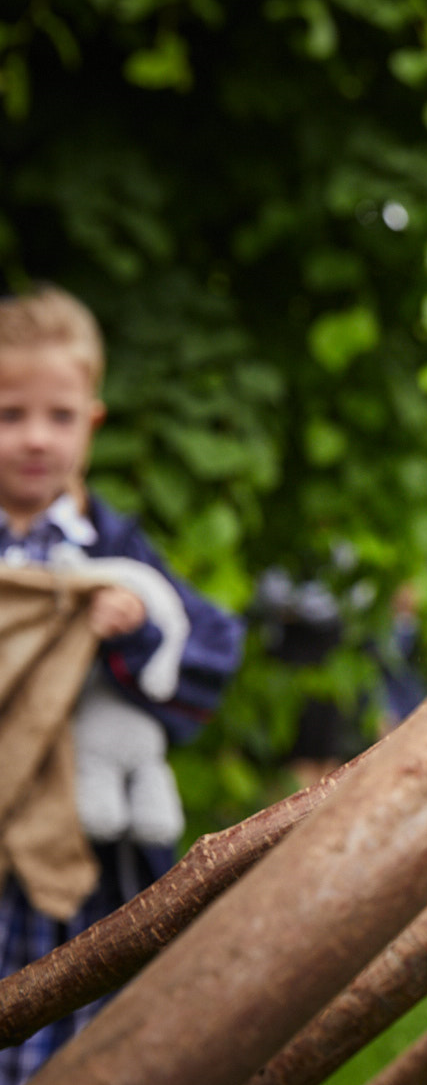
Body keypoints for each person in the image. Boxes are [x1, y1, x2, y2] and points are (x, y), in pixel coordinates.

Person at [0, 286, 243, 1082]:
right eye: (10, 415)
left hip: (87, 847)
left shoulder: (112, 545)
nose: (35, 438)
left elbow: (209, 645)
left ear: (92, 422)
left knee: (78, 1030)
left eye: (59, 417)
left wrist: (134, 628)